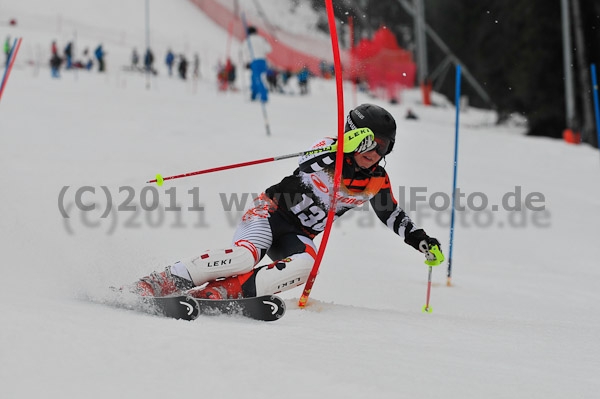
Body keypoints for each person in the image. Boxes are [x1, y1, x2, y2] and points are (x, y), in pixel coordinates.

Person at [130, 104, 444, 301]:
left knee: (308, 266)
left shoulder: (376, 180)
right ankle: (160, 280)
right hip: (268, 214)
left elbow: (393, 216)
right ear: (353, 135)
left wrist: (421, 241)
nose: (374, 152)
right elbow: (307, 163)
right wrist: (340, 149)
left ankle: (224, 292)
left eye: (384, 146)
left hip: (299, 236)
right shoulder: (329, 149)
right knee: (243, 257)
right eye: (369, 142)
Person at [242, 26, 272, 102]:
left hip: (254, 60)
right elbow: (269, 49)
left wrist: (247, 61)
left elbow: (243, 50)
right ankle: (254, 95)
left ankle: (263, 96)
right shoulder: (262, 39)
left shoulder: (248, 40)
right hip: (263, 61)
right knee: (254, 77)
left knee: (257, 78)